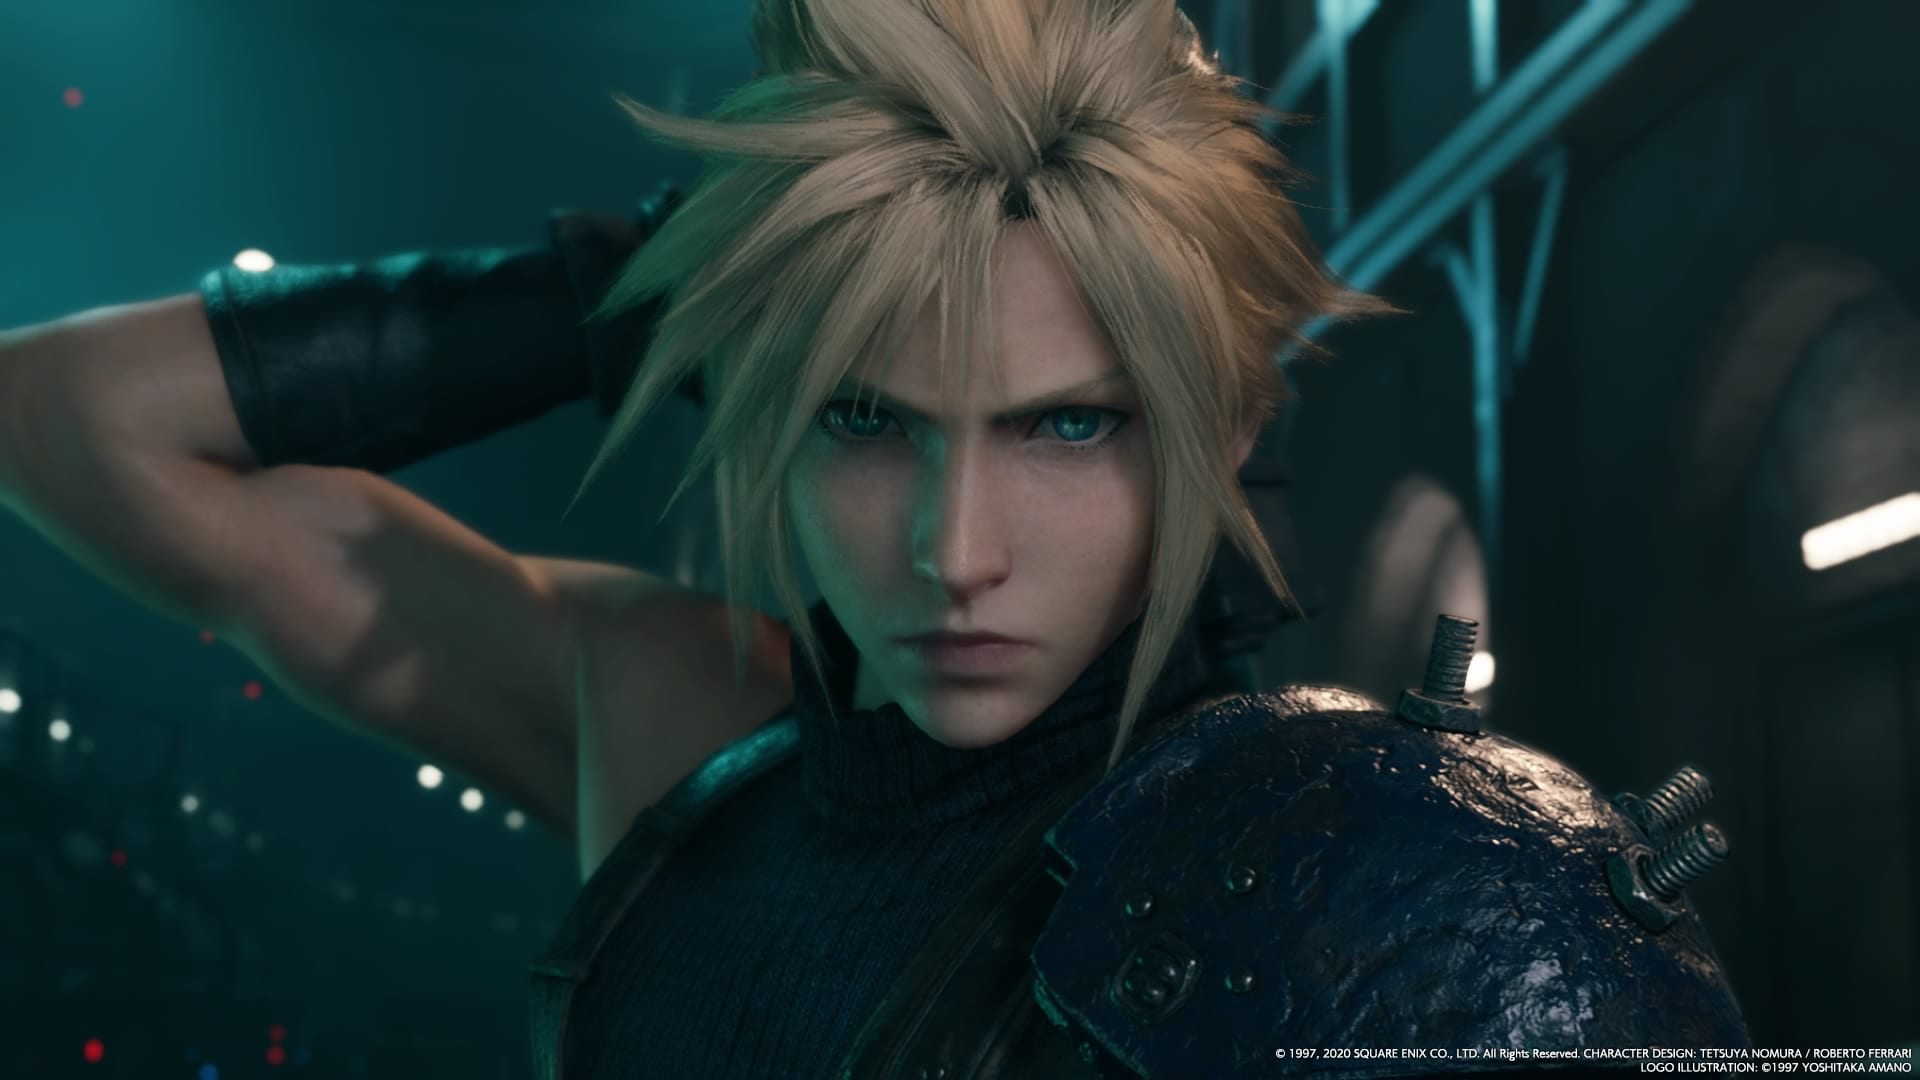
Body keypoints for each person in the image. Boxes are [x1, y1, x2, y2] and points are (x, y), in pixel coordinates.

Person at [0, 0, 1753, 1076]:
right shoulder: (664, 718)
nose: (953, 549)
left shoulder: (1350, 887)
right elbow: (58, 417)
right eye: (864, 419)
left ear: (1217, 436)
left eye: (1066, 424)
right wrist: (649, 288)